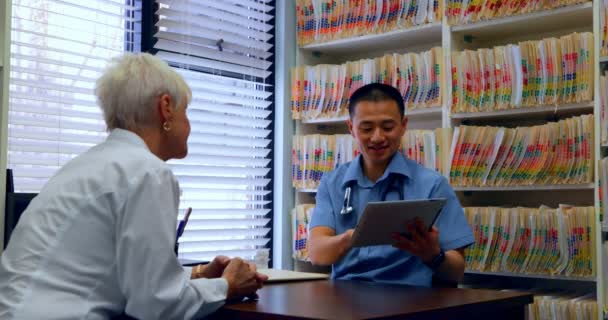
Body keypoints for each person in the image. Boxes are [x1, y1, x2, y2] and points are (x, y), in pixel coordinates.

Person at [0, 53, 268, 319]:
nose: (189, 125)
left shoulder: (86, 165)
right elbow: (156, 306)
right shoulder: (148, 173)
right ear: (166, 107)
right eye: (186, 111)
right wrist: (227, 286)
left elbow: (119, 277)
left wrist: (198, 273)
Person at [308, 83, 474, 287]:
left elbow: (456, 272)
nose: (377, 137)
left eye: (388, 127)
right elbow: (317, 253)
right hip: (346, 300)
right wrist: (352, 238)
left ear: (403, 125)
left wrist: (433, 255)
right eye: (366, 128)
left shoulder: (432, 185)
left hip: (411, 302)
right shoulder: (332, 183)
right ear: (351, 128)